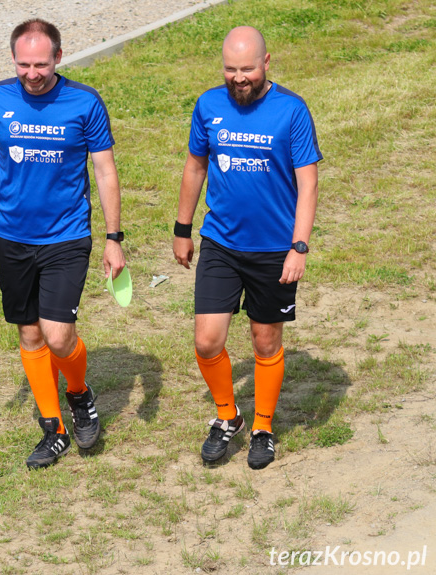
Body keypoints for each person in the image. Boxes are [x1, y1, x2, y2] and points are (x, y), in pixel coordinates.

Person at [0, 19, 126, 469]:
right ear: (14, 60)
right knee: (30, 333)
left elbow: (105, 171)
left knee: (57, 335)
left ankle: (78, 392)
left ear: (58, 57)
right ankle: (53, 430)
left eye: (41, 64)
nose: (32, 73)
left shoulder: (84, 102)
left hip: (66, 237)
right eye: (23, 64)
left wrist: (114, 238)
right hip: (11, 237)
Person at [173, 26, 322, 470]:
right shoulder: (208, 105)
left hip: (274, 249)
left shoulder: (291, 111)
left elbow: (308, 183)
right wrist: (183, 227)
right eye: (231, 69)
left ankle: (262, 427)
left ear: (266, 63)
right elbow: (195, 165)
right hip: (220, 241)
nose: (239, 78)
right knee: (206, 341)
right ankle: (227, 417)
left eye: (248, 69)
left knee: (264, 340)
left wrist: (299, 246)